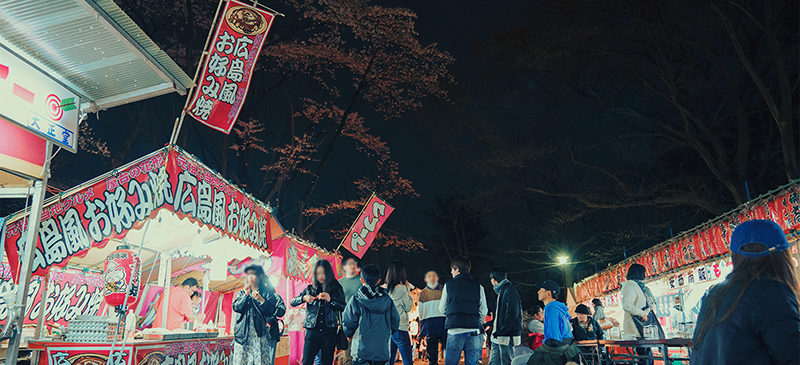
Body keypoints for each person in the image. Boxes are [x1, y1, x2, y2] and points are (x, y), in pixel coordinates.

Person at [691, 219, 800, 365]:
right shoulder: (771, 292)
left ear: (736, 257)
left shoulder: (714, 295)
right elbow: (792, 355)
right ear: (782, 256)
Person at [291, 259, 346, 365]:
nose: (321, 276)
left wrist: (331, 300)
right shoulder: (310, 288)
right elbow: (292, 302)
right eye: (318, 273)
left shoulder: (336, 288)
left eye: (323, 273)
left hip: (329, 331)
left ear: (328, 273)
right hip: (312, 331)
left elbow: (343, 306)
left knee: (327, 361)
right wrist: (303, 298)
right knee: (306, 361)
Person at [342, 264, 400, 365]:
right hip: (381, 350)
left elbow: (348, 320)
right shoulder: (387, 300)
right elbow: (395, 319)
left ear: (362, 280)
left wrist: (348, 333)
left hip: (361, 351)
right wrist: (392, 331)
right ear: (379, 280)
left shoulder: (356, 298)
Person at [511, 280, 579, 365]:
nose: (538, 291)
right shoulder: (558, 308)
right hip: (566, 350)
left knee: (516, 362)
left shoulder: (551, 309)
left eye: (541, 289)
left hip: (557, 353)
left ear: (548, 293)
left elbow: (554, 338)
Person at [232, 265, 287, 365]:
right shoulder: (242, 292)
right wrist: (246, 295)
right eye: (249, 275)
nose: (251, 278)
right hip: (243, 336)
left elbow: (272, 311)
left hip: (260, 335)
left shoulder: (268, 294)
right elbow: (236, 307)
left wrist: (261, 300)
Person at [439, 256, 487, 365]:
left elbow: (442, 308)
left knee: (451, 362)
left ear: (457, 269)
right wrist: (475, 318)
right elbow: (484, 310)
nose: (451, 272)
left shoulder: (448, 286)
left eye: (452, 269)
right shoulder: (479, 287)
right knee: (472, 362)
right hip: (473, 330)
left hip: (455, 329)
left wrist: (452, 315)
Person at [621, 263, 664, 365]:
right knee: (642, 357)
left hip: (645, 327)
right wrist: (642, 313)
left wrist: (647, 310)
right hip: (635, 328)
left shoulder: (643, 287)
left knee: (647, 355)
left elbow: (651, 302)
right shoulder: (631, 286)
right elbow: (626, 304)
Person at [488, 268, 522, 365]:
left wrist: (502, 331)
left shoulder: (509, 291)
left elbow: (512, 314)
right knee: (494, 362)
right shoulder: (502, 292)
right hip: (498, 335)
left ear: (493, 279)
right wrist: (490, 324)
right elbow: (500, 316)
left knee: (507, 361)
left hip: (505, 336)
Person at [385, 261, 414, 365]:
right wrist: (408, 289)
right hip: (400, 328)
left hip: (387, 329)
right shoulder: (402, 288)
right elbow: (408, 307)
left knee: (389, 361)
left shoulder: (383, 289)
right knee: (407, 361)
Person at [418, 270, 447, 365]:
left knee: (447, 353)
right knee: (433, 355)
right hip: (432, 326)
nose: (432, 278)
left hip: (442, 324)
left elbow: (421, 314)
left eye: (434, 276)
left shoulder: (444, 290)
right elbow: (421, 314)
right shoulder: (422, 294)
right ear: (426, 279)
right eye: (429, 276)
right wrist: (422, 330)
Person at [339, 257, 362, 365]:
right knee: (347, 355)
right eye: (350, 263)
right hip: (345, 321)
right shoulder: (339, 283)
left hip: (361, 320)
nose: (353, 265)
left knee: (360, 354)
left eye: (354, 263)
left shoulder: (361, 280)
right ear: (344, 267)